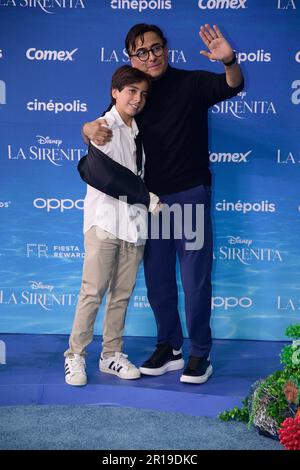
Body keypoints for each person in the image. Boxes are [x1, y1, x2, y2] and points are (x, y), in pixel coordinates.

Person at [82, 23, 244, 384]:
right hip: (150, 205)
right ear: (130, 58)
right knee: (157, 282)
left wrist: (229, 60)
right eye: (141, 52)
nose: (150, 57)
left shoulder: (191, 83)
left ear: (166, 49)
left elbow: (232, 84)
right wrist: (86, 129)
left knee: (195, 280)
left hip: (189, 197)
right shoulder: (134, 93)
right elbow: (102, 127)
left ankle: (200, 353)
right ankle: (169, 347)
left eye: (156, 49)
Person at [64, 65, 160, 386]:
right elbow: (105, 176)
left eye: (143, 94)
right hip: (104, 223)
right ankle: (75, 356)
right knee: (92, 292)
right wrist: (147, 197)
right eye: (131, 91)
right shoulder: (103, 126)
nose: (138, 99)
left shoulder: (138, 132)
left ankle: (111, 355)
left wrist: (143, 203)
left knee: (122, 295)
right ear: (115, 92)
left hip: (134, 227)